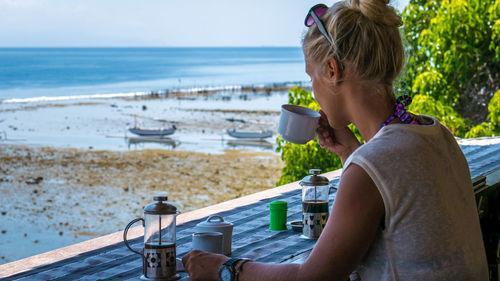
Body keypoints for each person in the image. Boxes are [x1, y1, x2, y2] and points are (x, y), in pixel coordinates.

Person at [182, 0, 489, 280]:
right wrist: (351, 153)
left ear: (332, 70)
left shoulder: (373, 166)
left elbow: (312, 279)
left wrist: (226, 268)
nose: (312, 90)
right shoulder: (436, 134)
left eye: (311, 78)